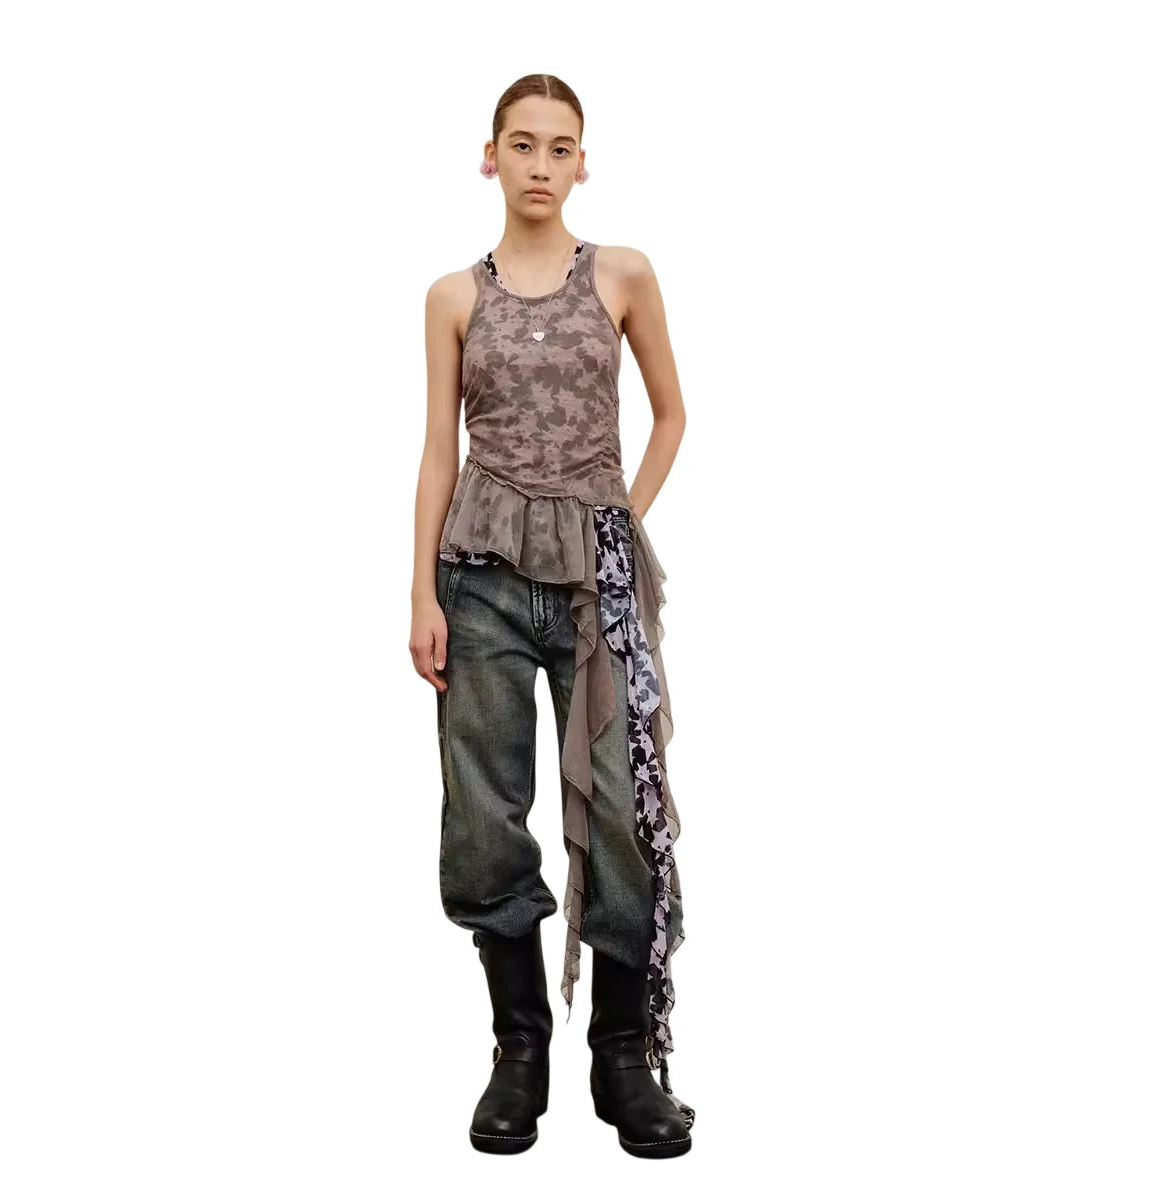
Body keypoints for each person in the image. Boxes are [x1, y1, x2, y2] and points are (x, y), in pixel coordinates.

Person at [409, 74, 694, 1159]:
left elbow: (672, 414)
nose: (540, 164)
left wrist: (620, 521)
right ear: (490, 157)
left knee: (623, 802)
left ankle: (623, 1056)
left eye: (560, 146)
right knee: (485, 811)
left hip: (597, 577)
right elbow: (439, 451)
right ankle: (518, 1048)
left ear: (583, 162)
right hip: (478, 574)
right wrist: (421, 590)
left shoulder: (622, 274)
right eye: (521, 145)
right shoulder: (453, 297)